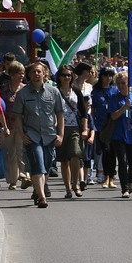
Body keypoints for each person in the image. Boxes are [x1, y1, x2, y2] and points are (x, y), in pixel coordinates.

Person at [12, 62, 64, 209]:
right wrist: (22, 135)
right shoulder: (22, 93)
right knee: (38, 164)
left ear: (44, 74)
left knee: (46, 166)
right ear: (29, 74)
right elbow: (17, 117)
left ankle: (37, 189)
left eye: (39, 72)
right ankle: (42, 197)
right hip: (32, 135)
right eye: (33, 72)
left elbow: (60, 114)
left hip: (49, 135)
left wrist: (60, 135)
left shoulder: (53, 92)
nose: (36, 74)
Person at [107, 71, 132, 198]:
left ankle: (130, 180)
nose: (121, 86)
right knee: (122, 161)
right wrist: (124, 107)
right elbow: (113, 116)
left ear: (128, 84)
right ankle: (124, 188)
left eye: (123, 83)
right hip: (119, 134)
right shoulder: (114, 98)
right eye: (118, 83)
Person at [55, 65, 89, 198]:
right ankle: (68, 188)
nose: (66, 78)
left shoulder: (76, 90)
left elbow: (84, 112)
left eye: (69, 75)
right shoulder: (55, 91)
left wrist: (85, 129)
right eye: (64, 75)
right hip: (60, 128)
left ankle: (76, 184)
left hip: (75, 126)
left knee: (75, 154)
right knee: (64, 160)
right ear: (59, 77)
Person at [0, 61, 29, 190]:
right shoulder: (3, 89)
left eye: (22, 73)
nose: (21, 76)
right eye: (18, 73)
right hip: (7, 125)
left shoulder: (26, 89)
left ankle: (24, 176)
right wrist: (3, 125)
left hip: (22, 125)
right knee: (10, 153)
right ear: (11, 74)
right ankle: (13, 181)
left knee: (21, 151)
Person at [91, 66, 118, 189]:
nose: (108, 78)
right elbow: (93, 110)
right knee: (105, 151)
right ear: (101, 76)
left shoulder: (115, 90)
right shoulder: (95, 92)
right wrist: (92, 126)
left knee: (112, 152)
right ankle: (105, 176)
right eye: (106, 75)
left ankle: (111, 177)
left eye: (110, 76)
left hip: (113, 125)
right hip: (101, 125)